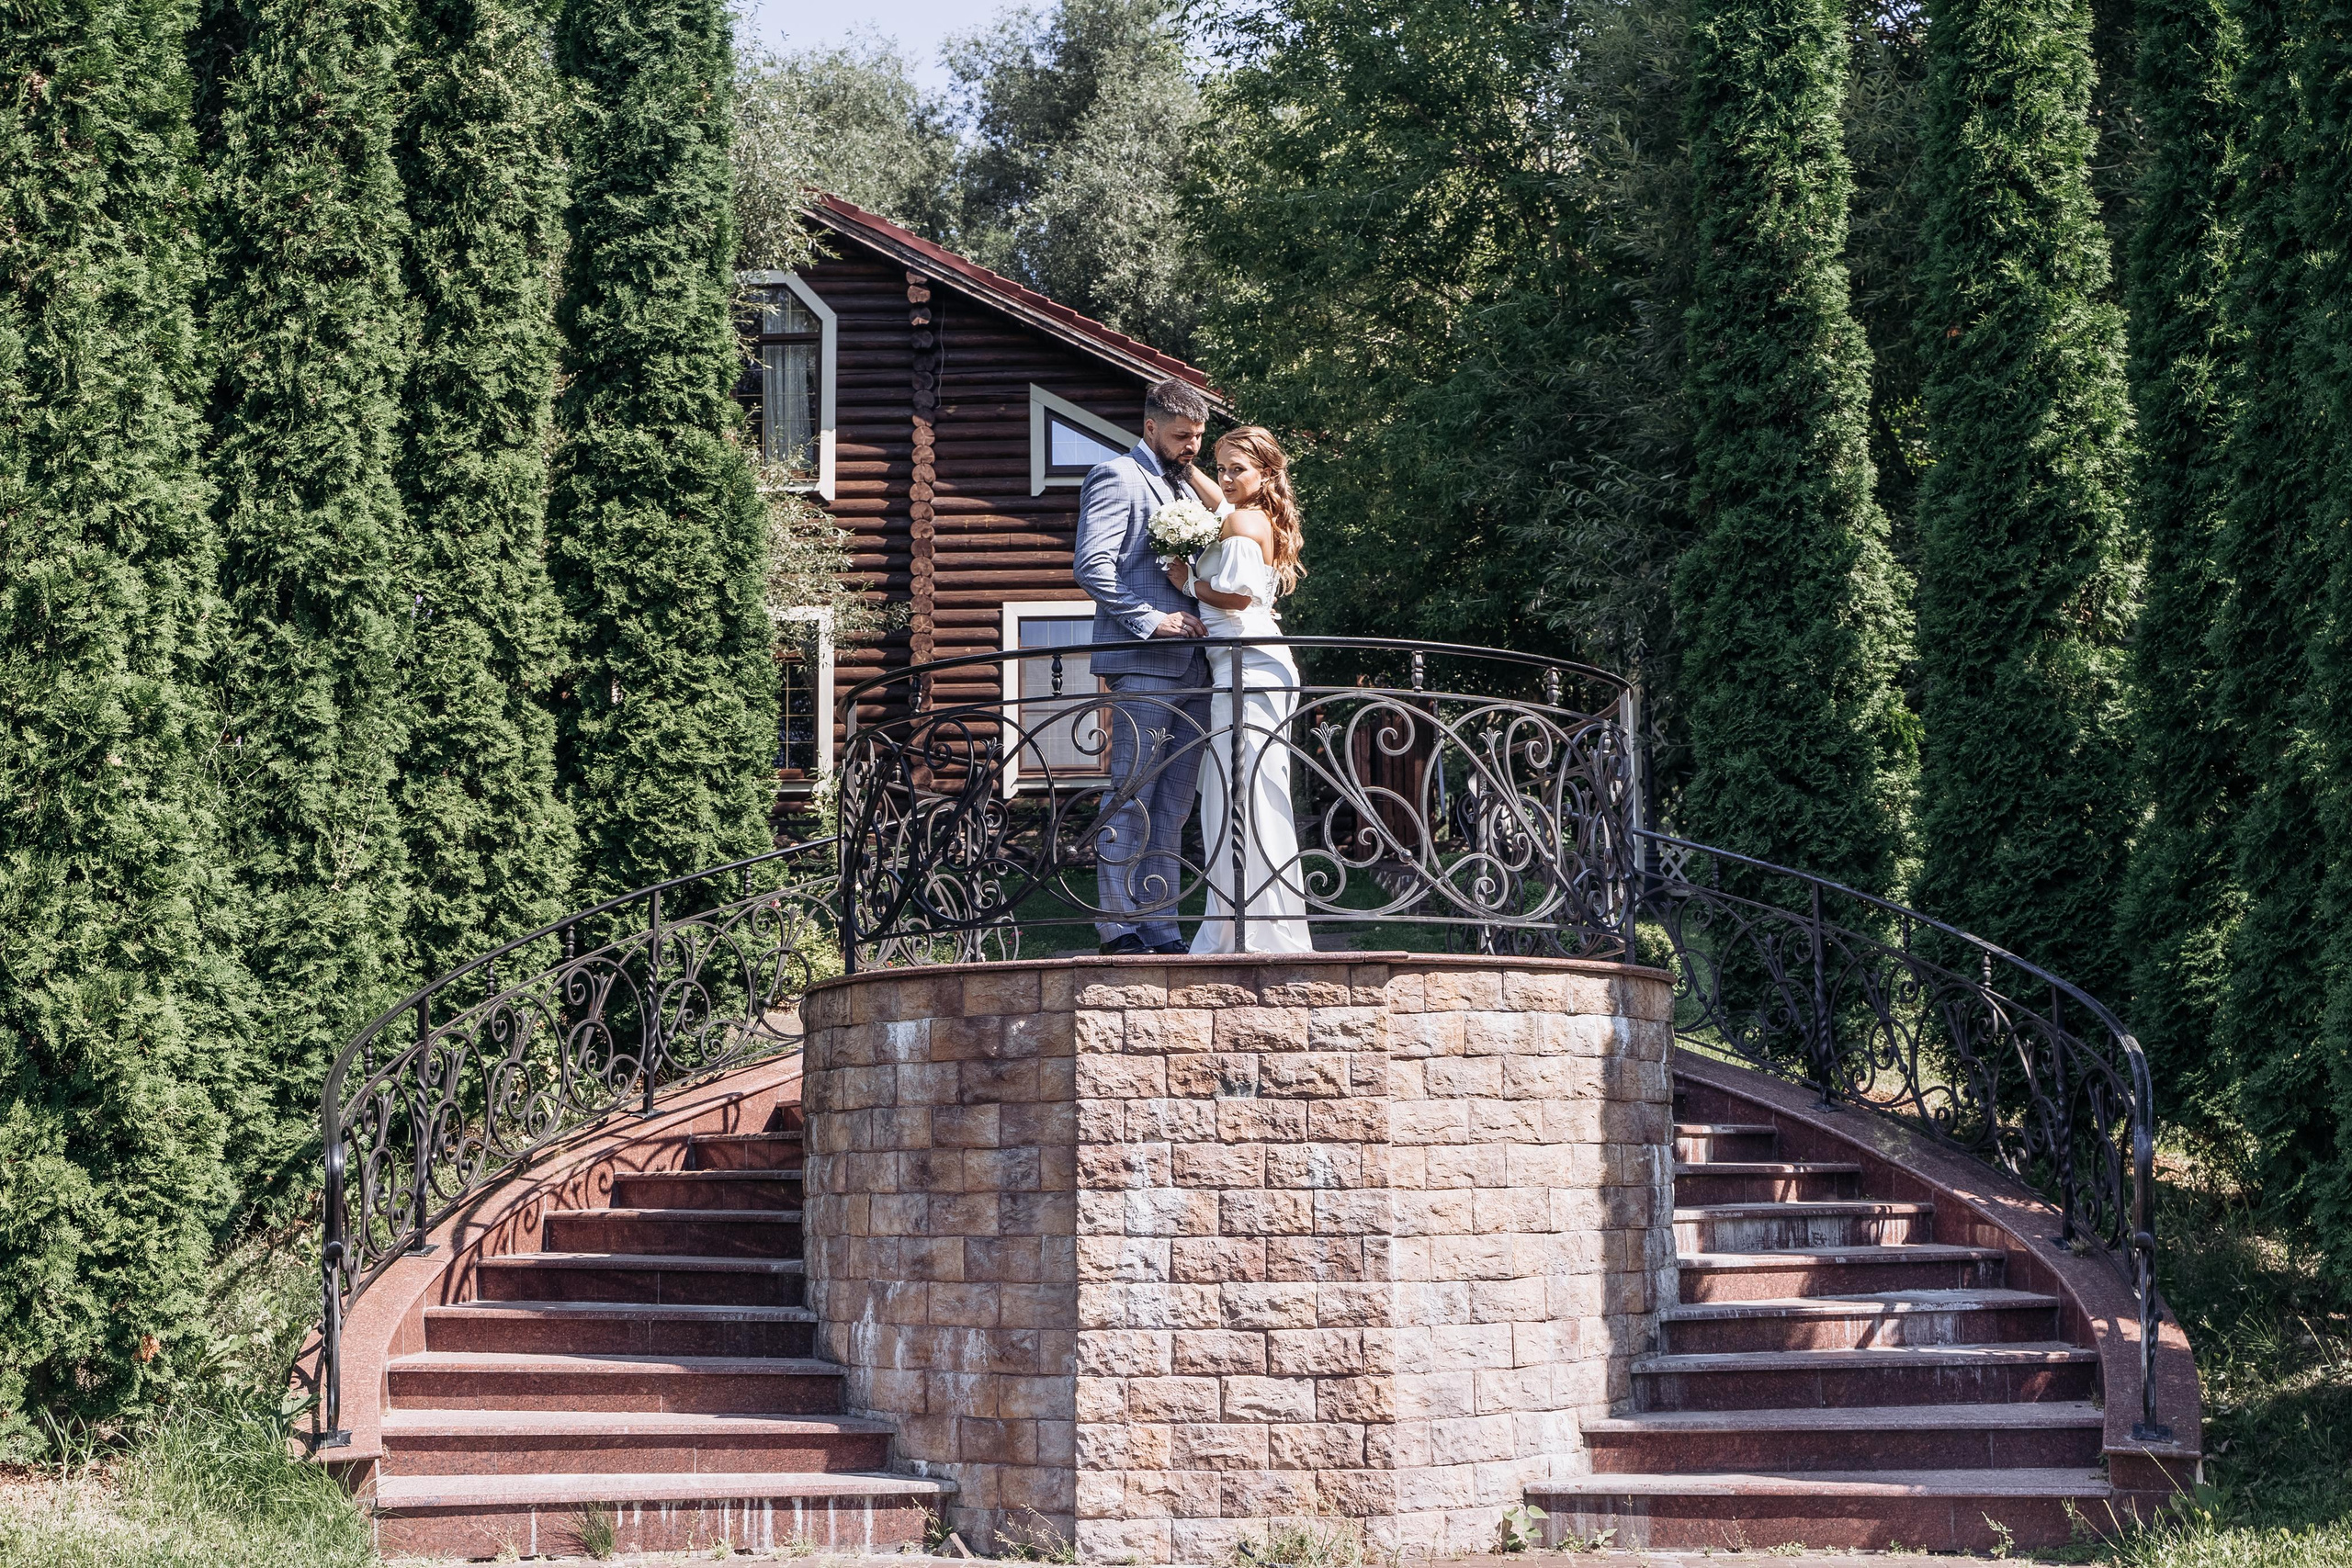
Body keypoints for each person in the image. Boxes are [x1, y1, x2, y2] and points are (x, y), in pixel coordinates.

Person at [1071, 378, 1226, 955]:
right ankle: (1119, 928)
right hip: (1143, 661)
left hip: (1197, 669)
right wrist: (1150, 619)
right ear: (1151, 426)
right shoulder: (1116, 476)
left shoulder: (1187, 489)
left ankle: (1161, 927)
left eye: (1198, 437)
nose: (1191, 446)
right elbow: (1092, 566)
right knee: (1132, 797)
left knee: (1175, 807)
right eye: (1183, 436)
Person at [1166, 426, 1312, 954]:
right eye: (1221, 468)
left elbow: (1234, 599)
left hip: (1251, 667)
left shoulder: (1241, 519)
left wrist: (1186, 583)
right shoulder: (1250, 514)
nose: (1225, 479)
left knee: (1248, 794)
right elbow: (1219, 500)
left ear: (1265, 475)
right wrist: (1189, 470)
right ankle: (1244, 923)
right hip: (1240, 667)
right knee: (1239, 793)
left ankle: (1264, 929)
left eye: (1237, 470)